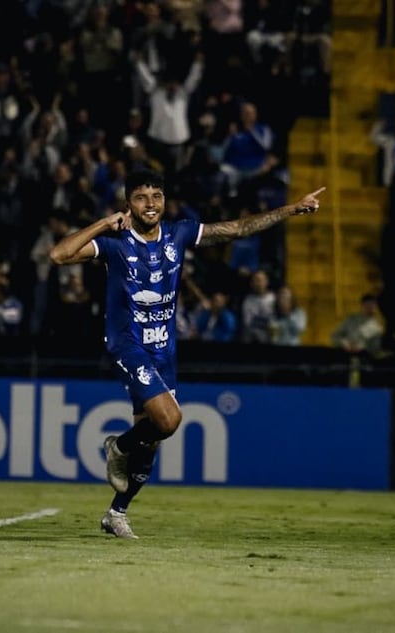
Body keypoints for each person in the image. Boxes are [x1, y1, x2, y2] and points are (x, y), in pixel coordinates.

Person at [50, 168, 324, 539]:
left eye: (157, 196)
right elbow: (59, 254)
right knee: (169, 420)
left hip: (164, 349)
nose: (151, 204)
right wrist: (102, 223)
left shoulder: (178, 234)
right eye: (142, 197)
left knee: (151, 445)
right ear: (128, 203)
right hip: (128, 344)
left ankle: (116, 514)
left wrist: (292, 209)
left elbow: (238, 229)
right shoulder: (115, 242)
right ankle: (117, 446)